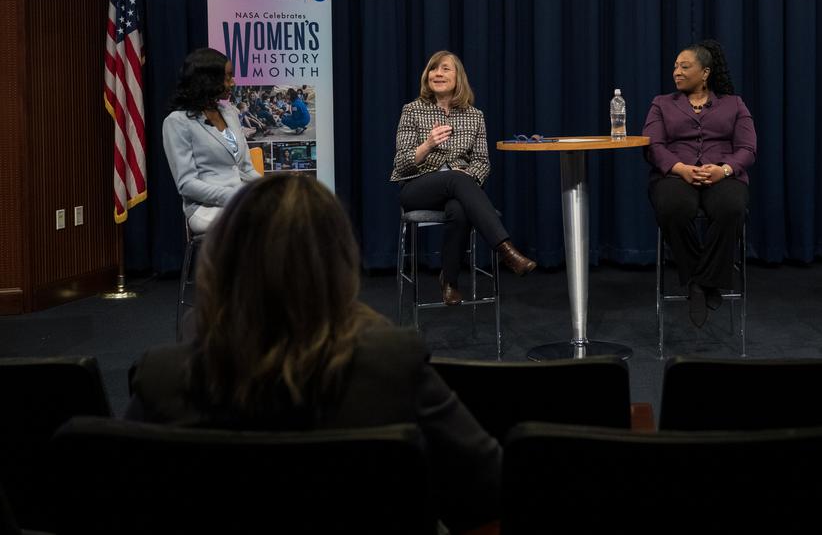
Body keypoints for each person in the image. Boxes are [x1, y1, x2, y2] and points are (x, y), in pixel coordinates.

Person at [125, 173, 501, 533]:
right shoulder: (393, 365)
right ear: (339, 263)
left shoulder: (160, 377)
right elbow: (490, 493)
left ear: (218, 260)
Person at [391, 50, 536, 305]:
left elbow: (482, 163)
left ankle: (450, 281)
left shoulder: (474, 116)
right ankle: (506, 250)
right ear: (427, 77)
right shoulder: (412, 110)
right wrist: (427, 145)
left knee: (459, 208)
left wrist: (467, 175)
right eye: (433, 69)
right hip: (417, 187)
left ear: (458, 78)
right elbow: (401, 164)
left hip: (459, 189)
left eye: (445, 69)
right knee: (457, 180)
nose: (438, 73)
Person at [643, 39, 756, 328]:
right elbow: (653, 145)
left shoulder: (734, 104)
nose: (676, 72)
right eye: (675, 67)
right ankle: (706, 281)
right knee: (672, 207)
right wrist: (680, 168)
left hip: (722, 174)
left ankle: (698, 282)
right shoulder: (661, 104)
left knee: (731, 208)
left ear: (705, 73)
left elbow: (747, 148)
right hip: (675, 174)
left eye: (684, 66)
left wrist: (725, 169)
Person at [162, 48, 260, 234]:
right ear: (208, 81)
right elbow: (187, 184)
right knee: (260, 222)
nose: (233, 82)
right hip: (205, 208)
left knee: (288, 211)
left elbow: (246, 168)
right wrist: (235, 196)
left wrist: (271, 189)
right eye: (228, 77)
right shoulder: (177, 122)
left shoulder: (230, 113)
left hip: (241, 201)